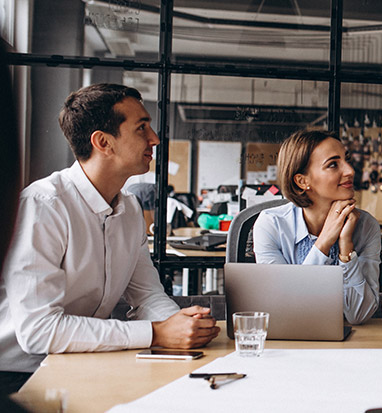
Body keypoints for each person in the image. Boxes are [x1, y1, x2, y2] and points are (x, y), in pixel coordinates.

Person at [0, 84, 221, 393]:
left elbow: (146, 296)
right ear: (103, 142)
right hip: (18, 374)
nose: (154, 139)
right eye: (141, 128)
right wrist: (156, 333)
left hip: (84, 361)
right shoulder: (44, 206)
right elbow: (39, 332)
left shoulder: (130, 208)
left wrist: (181, 324)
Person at [252, 128, 381, 324]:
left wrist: (346, 248)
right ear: (302, 181)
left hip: (350, 345)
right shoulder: (271, 225)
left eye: (347, 161)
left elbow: (359, 315)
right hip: (289, 342)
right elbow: (287, 309)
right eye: (333, 165)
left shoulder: (366, 226)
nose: (350, 171)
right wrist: (324, 242)